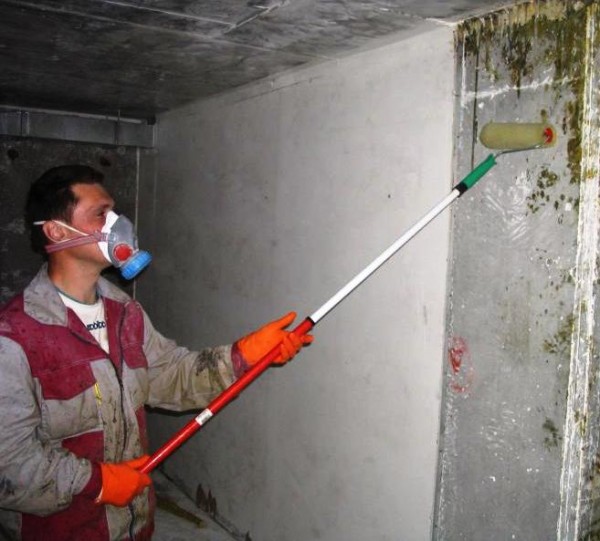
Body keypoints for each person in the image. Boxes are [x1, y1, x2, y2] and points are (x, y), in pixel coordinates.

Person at [0, 165, 313, 540]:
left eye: (115, 211)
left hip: (134, 529)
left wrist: (243, 355)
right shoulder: (14, 337)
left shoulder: (125, 313)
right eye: (101, 213)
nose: (118, 223)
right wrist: (96, 483)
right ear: (56, 231)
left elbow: (171, 378)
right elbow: (9, 462)